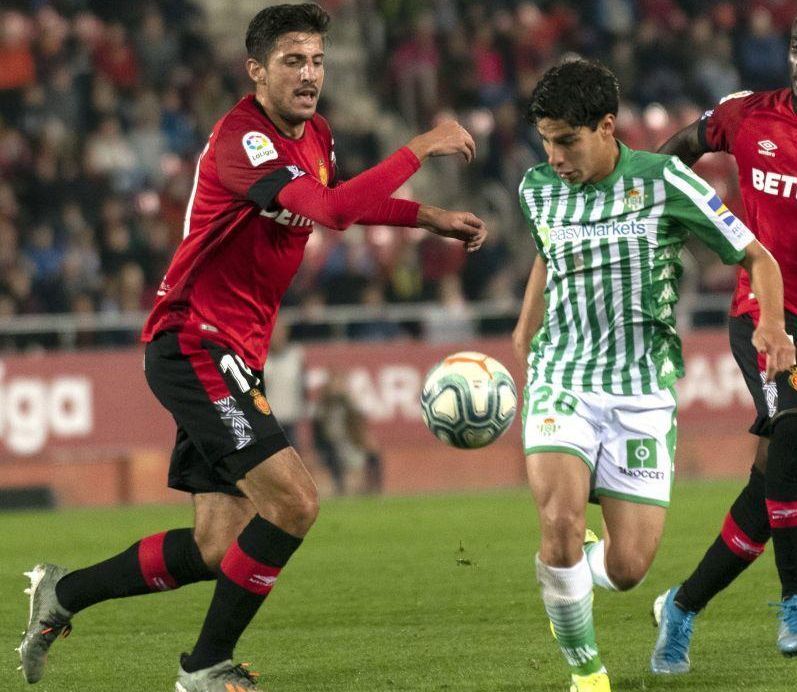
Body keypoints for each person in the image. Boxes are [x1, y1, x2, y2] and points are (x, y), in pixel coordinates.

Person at [16, 5, 486, 691]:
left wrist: (428, 216)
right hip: (195, 340)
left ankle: (64, 594)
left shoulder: (316, 135)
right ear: (256, 70)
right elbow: (327, 213)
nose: (309, 75)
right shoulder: (244, 140)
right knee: (293, 502)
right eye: (293, 61)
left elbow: (338, 201)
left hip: (234, 350)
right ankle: (203, 668)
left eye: (318, 61)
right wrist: (419, 147)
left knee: (216, 545)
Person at [512, 59, 795, 692]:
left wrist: (772, 325)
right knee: (556, 521)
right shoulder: (536, 188)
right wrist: (525, 330)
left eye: (567, 141)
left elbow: (756, 254)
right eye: (546, 142)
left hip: (642, 391)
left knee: (629, 566)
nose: (554, 157)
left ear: (607, 127)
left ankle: (590, 567)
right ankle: (588, 674)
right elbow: (547, 252)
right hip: (564, 377)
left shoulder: (665, 182)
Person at [650, 15, 797, 675]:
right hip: (762, 313)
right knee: (794, 424)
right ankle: (794, 601)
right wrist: (643, 204)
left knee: (769, 492)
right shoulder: (746, 116)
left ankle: (680, 608)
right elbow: (679, 147)